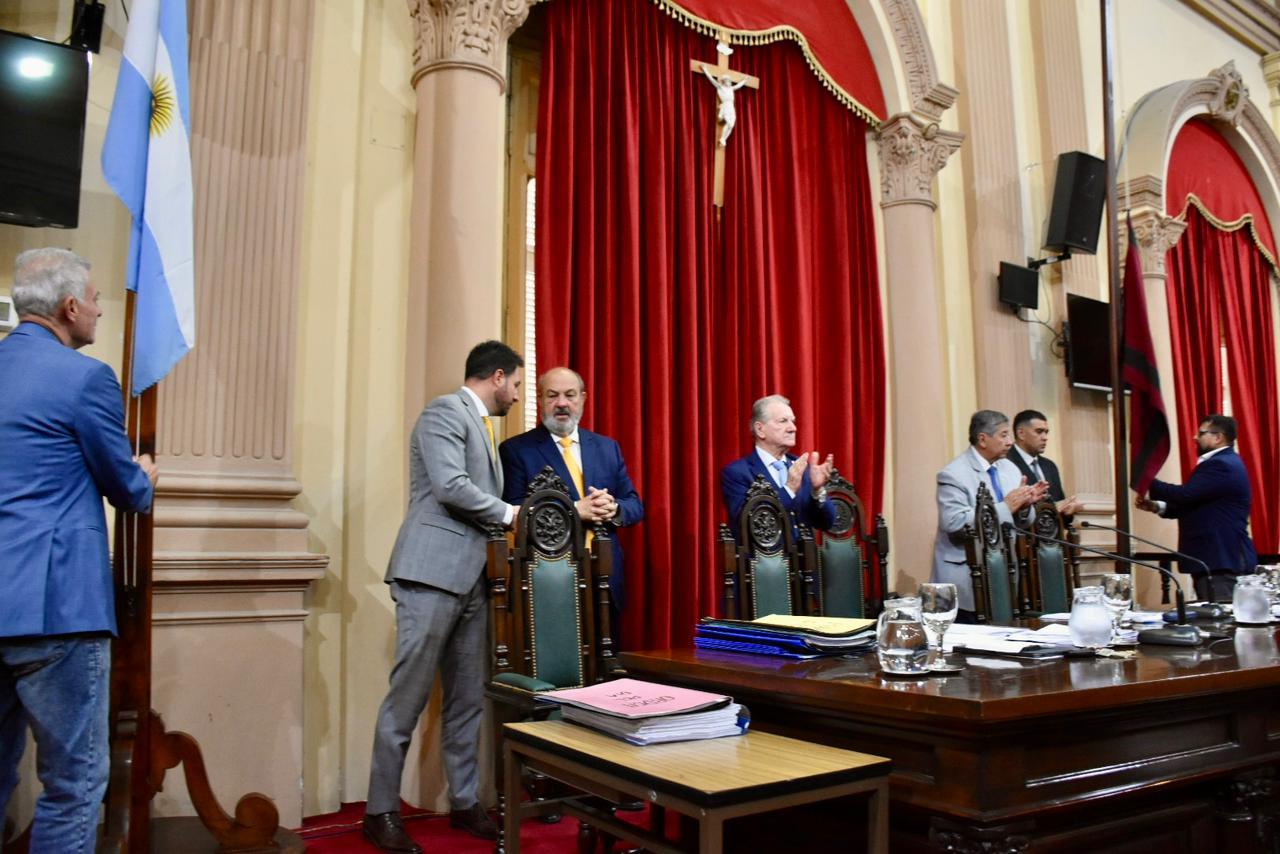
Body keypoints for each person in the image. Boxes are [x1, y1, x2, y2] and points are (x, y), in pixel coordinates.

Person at [0, 247, 158, 854]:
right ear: (69, 307)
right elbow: (127, 489)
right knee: (74, 784)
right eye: (93, 299)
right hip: (56, 609)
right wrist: (144, 474)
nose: (98, 309)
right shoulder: (85, 378)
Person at [364, 341, 524, 854]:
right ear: (497, 376)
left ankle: (464, 802)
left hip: (475, 579)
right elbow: (451, 486)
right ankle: (380, 811)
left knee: (467, 699)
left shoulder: (483, 426)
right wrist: (512, 513)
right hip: (431, 575)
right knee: (407, 698)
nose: (517, 395)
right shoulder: (444, 411)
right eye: (517, 384)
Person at [499, 366, 643, 613]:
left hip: (605, 577)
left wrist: (613, 508)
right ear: (540, 399)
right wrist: (575, 510)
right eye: (552, 395)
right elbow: (515, 513)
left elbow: (634, 504)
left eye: (570, 395)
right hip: (548, 579)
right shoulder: (516, 450)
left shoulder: (607, 447)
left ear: (583, 398)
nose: (562, 403)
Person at [932, 410, 1048, 619]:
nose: (1010, 442)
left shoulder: (1010, 468)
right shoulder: (953, 474)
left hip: (1004, 575)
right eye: (1004, 435)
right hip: (967, 579)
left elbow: (1020, 522)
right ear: (983, 439)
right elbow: (954, 522)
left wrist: (1024, 507)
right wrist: (1006, 507)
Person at [1135, 413, 1257, 602]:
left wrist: (1147, 479)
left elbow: (1186, 495)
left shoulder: (1221, 464)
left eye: (1201, 433)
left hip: (1220, 559)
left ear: (1218, 437)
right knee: (1212, 614)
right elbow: (1194, 503)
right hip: (1215, 559)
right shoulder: (1225, 462)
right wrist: (1157, 507)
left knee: (1220, 616)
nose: (1195, 437)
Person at [720, 394, 837, 535]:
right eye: (783, 421)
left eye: (793, 421)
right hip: (764, 550)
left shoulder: (802, 467)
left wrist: (818, 490)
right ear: (760, 429)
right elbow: (750, 524)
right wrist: (789, 489)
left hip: (806, 550)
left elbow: (827, 523)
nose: (793, 428)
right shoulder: (737, 473)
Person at [1008, 409, 1083, 517]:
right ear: (1021, 433)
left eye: (1046, 432)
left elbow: (1059, 505)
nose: (1045, 438)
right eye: (1039, 432)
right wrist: (1053, 508)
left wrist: (1069, 509)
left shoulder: (1049, 466)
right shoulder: (1005, 462)